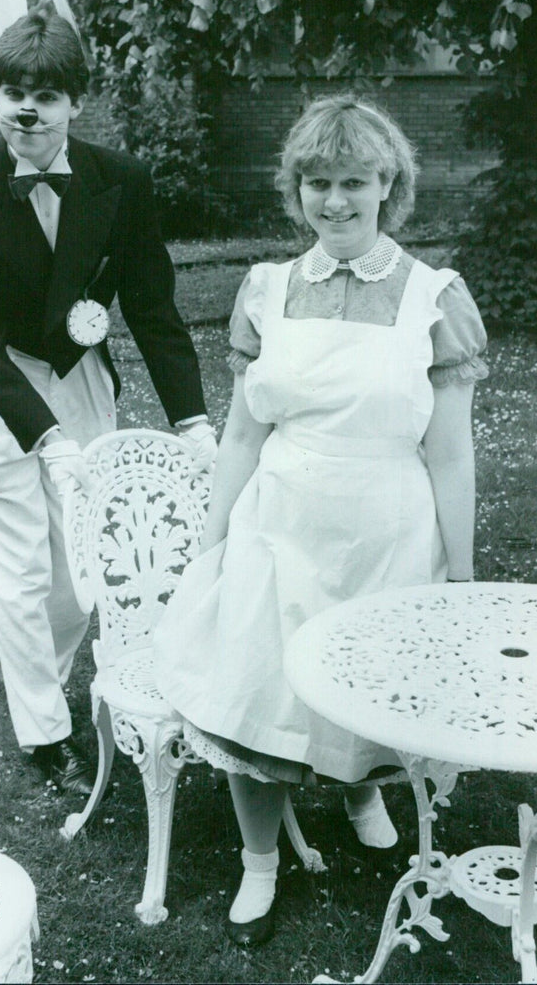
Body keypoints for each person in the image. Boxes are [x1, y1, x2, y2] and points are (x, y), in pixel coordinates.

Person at [154, 94, 488, 945]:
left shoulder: (433, 299)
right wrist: (215, 539)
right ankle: (258, 864)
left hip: (388, 532)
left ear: (388, 185)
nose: (335, 202)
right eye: (317, 184)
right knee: (254, 692)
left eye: (353, 182)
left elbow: (449, 455)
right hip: (282, 525)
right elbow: (240, 431)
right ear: (295, 190)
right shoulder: (265, 290)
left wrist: (461, 572)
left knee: (368, 693)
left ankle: (360, 789)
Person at [0, 0, 217, 797]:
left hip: (81, 384)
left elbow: (155, 312)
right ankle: (44, 734)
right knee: (14, 573)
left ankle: (42, 677)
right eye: (12, 93)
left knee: (79, 574)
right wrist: (44, 440)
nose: (27, 111)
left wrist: (192, 420)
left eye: (45, 96)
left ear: (74, 104)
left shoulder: (119, 180)